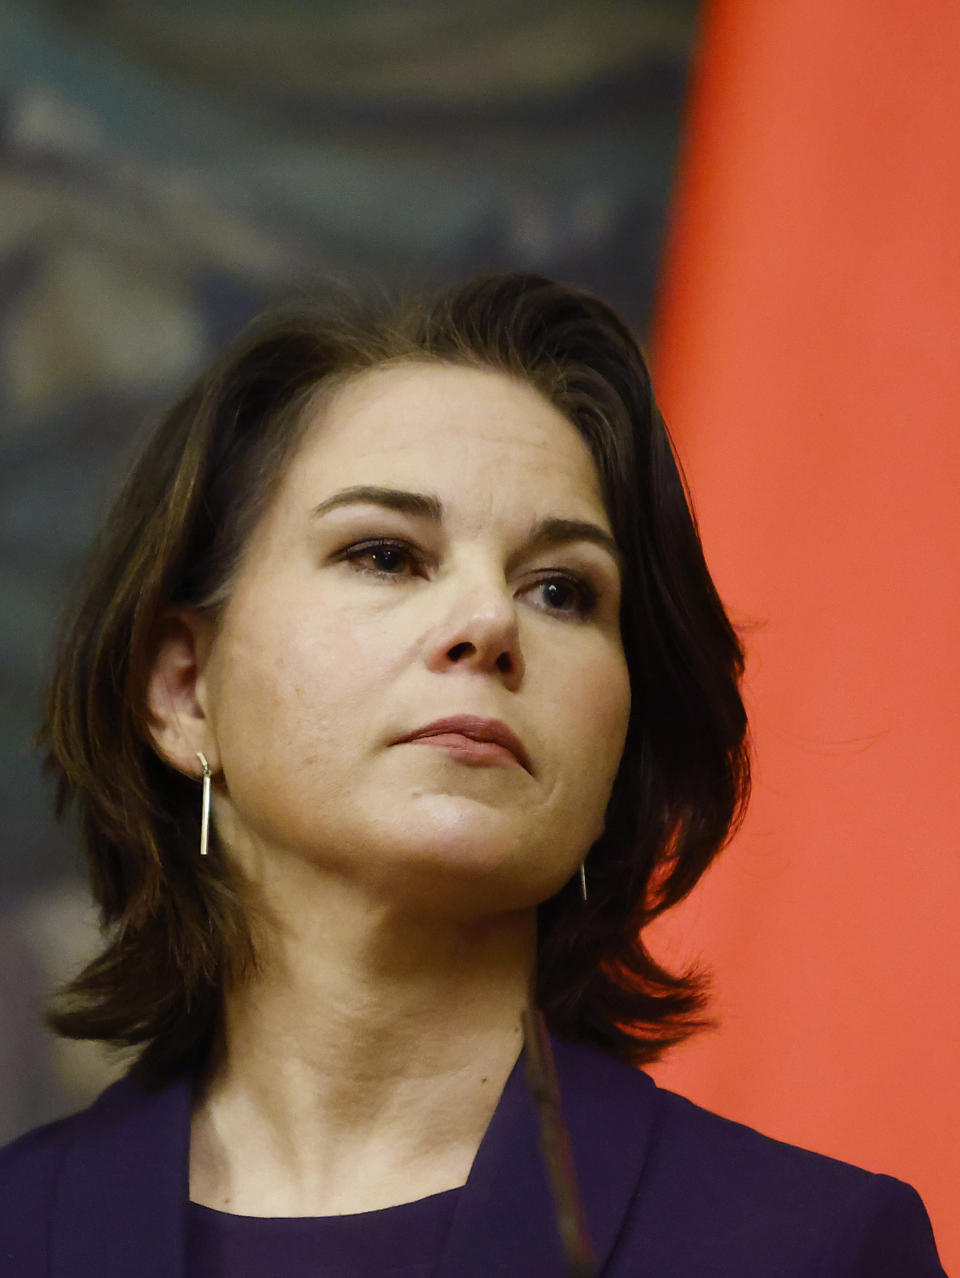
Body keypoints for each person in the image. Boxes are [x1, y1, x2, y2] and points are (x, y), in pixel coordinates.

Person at [0, 272, 945, 1277]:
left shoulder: (823, 1250)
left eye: (561, 590)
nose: (491, 622)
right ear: (186, 691)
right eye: (386, 555)